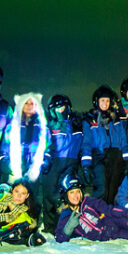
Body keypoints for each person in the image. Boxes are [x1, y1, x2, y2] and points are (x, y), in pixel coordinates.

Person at [53, 176, 128, 243]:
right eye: (72, 193)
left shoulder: (88, 202)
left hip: (115, 221)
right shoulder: (66, 215)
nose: (76, 196)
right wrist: (68, 229)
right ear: (65, 196)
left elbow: (108, 209)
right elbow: (59, 238)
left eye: (78, 192)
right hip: (111, 235)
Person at [1, 92, 49, 226]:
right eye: (26, 103)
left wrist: (45, 162)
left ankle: (31, 224)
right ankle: (9, 224)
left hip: (33, 167)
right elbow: (4, 145)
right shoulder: (13, 124)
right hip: (15, 167)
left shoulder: (42, 125)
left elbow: (48, 146)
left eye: (32, 103)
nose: (28, 106)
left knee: (32, 197)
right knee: (12, 197)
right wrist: (4, 163)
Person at [42, 94, 79, 233]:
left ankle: (67, 224)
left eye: (62, 107)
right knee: (50, 193)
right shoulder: (49, 124)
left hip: (71, 161)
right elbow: (44, 142)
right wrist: (44, 160)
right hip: (54, 161)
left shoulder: (76, 123)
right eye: (57, 107)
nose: (60, 110)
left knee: (68, 194)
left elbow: (83, 142)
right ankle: (50, 226)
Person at [80, 85, 115, 199]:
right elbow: (86, 142)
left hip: (111, 157)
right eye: (102, 100)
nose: (105, 103)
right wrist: (86, 165)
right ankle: (93, 212)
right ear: (97, 101)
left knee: (111, 190)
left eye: (108, 100)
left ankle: (107, 215)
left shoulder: (112, 119)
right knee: (101, 188)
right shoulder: (90, 120)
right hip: (97, 157)